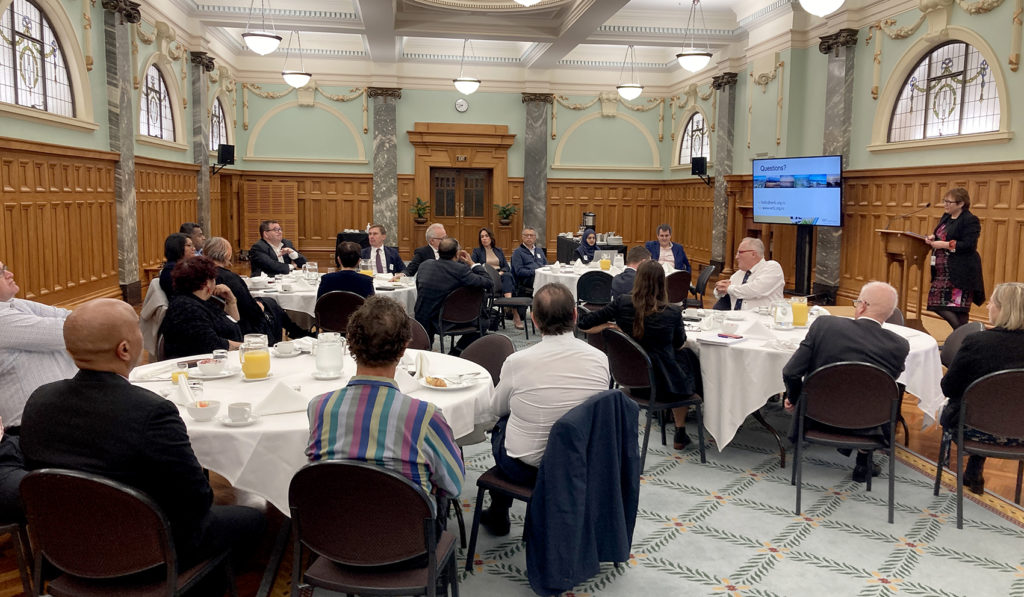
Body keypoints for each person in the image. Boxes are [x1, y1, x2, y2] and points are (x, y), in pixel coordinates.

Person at [20, 298, 265, 566]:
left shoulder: (39, 399)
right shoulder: (151, 411)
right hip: (148, 551)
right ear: (124, 349)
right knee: (254, 516)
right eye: (138, 329)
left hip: (63, 547)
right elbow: (196, 500)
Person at [481, 283, 611, 536]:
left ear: (534, 320)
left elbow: (496, 408)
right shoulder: (600, 359)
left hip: (527, 470)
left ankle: (498, 512)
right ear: (575, 315)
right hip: (580, 464)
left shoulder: (518, 362)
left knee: (502, 424)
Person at [306, 295, 464, 499]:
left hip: (334, 515)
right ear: (404, 347)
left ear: (350, 342)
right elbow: (454, 486)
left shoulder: (319, 407)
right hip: (405, 518)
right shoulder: (426, 417)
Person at [782, 281, 910, 482]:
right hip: (866, 424)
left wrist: (795, 398)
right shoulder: (899, 345)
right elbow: (882, 386)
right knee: (875, 398)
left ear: (862, 306)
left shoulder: (825, 325)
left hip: (815, 416)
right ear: (890, 313)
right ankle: (863, 461)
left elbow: (791, 372)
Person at [579, 260, 700, 450]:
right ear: (663, 283)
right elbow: (679, 344)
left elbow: (583, 322)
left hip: (631, 381)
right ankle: (680, 430)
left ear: (637, 280)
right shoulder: (672, 312)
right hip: (665, 387)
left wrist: (609, 326)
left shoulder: (622, 303)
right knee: (686, 358)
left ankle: (674, 423)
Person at [939, 282, 1024, 495]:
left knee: (978, 405)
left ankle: (971, 468)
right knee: (998, 403)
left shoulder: (978, 342)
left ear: (1003, 309)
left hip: (974, 430)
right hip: (1020, 432)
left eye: (992, 302)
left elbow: (949, 388)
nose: (987, 306)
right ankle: (974, 469)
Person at [0, 259, 78, 429]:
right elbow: (70, 332)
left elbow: (69, 315)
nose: (9, 274)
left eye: (5, 268)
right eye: (1, 273)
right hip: (34, 428)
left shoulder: (14, 303)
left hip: (67, 416)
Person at [204, 237, 310, 342]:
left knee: (268, 301)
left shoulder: (203, 274)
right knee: (272, 305)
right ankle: (297, 332)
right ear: (228, 254)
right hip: (243, 324)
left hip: (215, 320)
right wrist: (259, 308)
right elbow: (249, 308)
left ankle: (296, 331)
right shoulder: (231, 279)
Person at [414, 238, 492, 355]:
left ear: (438, 251)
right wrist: (472, 264)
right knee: (484, 321)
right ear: (457, 254)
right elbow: (488, 282)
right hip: (447, 321)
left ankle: (426, 350)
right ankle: (456, 352)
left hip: (424, 319)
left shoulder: (424, 265)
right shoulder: (460, 270)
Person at [925, 187, 985, 330]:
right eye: (944, 201)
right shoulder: (946, 217)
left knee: (959, 310)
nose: (945, 204)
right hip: (942, 272)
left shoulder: (970, 220)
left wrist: (945, 244)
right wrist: (933, 237)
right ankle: (963, 336)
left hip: (961, 272)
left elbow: (969, 245)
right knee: (936, 304)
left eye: (949, 202)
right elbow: (942, 235)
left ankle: (961, 335)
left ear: (961, 204)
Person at [159, 256, 242, 359]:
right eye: (213, 279)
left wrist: (231, 301)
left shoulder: (202, 301)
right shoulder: (186, 309)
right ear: (207, 283)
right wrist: (248, 347)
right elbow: (214, 345)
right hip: (202, 364)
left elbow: (233, 323)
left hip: (222, 359)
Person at [471, 226, 523, 329]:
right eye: (482, 237)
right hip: (488, 278)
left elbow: (506, 267)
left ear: (491, 238)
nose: (484, 238)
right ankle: (513, 312)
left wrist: (501, 272)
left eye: (486, 236)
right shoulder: (477, 251)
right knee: (509, 279)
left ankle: (508, 304)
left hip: (501, 276)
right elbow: (474, 266)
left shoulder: (498, 250)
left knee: (507, 276)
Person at [713, 237, 785, 311]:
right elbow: (724, 293)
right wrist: (719, 289)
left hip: (763, 317)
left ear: (753, 254)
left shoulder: (772, 267)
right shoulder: (738, 274)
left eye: (740, 252)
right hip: (736, 317)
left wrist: (729, 288)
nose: (736, 257)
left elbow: (755, 290)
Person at [159, 233, 196, 297]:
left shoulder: (184, 266)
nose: (194, 248)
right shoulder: (171, 270)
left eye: (193, 245)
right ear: (177, 248)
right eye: (189, 245)